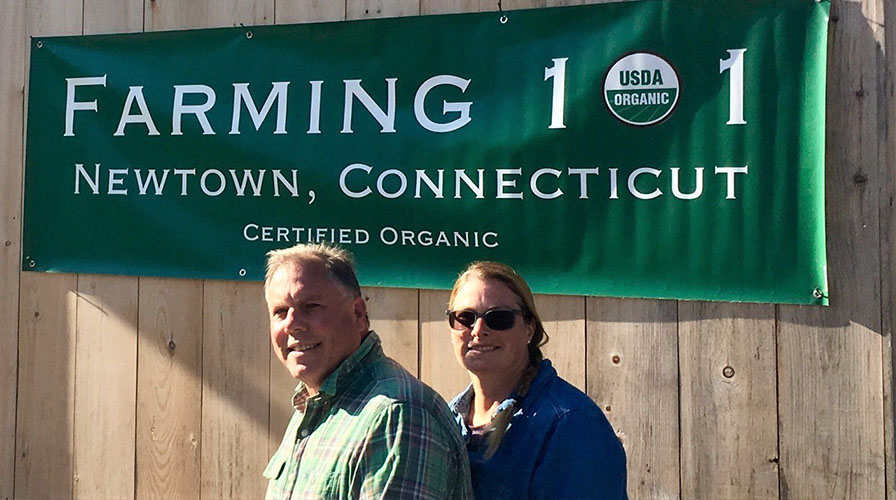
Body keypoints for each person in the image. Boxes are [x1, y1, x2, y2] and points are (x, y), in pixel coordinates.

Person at [263, 242, 472, 499]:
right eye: (280, 312)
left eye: (311, 307)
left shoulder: (398, 417)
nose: (292, 324)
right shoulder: (314, 406)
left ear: (358, 314)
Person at [446, 261, 628, 499]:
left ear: (529, 330)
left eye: (498, 318)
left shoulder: (570, 422)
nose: (478, 330)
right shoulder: (447, 419)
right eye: (465, 317)